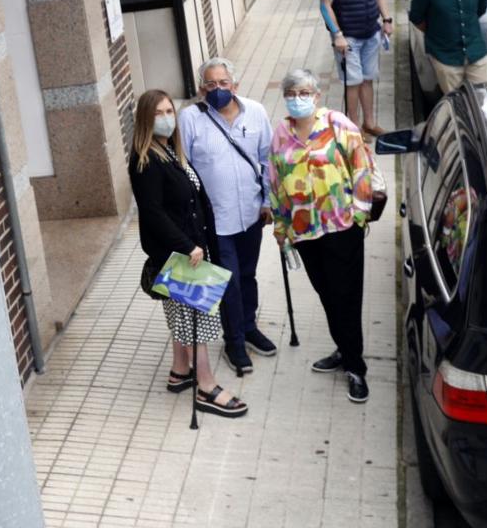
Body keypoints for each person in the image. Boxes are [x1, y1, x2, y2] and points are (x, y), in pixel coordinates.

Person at [128, 89, 248, 418]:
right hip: (178, 256)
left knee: (183, 316)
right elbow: (152, 212)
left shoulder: (169, 151)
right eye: (158, 114)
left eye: (169, 111)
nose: (167, 118)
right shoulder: (146, 161)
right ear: (145, 120)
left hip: (192, 250)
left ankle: (180, 371)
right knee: (195, 320)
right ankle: (207, 387)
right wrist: (187, 245)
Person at [268, 69, 374, 404]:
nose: (298, 98)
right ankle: (344, 348)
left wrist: (359, 213)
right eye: (292, 92)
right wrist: (281, 228)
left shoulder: (337, 123)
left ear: (316, 95)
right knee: (327, 294)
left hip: (342, 227)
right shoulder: (281, 133)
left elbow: (361, 167)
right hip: (304, 230)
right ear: (285, 97)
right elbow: (276, 181)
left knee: (346, 296)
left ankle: (356, 367)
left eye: (304, 92)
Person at [178, 58, 275, 377]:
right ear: (200, 89)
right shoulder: (190, 118)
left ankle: (248, 328)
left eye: (223, 83)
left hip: (251, 214)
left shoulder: (256, 112)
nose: (217, 90)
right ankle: (233, 342)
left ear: (235, 85)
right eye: (210, 84)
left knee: (247, 275)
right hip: (214, 222)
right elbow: (185, 170)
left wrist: (268, 201)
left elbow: (267, 160)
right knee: (229, 281)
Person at [317, 0, 393, 136]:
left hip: (371, 32)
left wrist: (386, 19)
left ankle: (369, 122)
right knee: (353, 82)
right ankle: (354, 128)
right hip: (348, 37)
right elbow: (326, 5)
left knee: (367, 79)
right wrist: (337, 34)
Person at [408, 0, 487, 93]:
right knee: (456, 103)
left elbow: (480, 9)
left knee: (486, 96)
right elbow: (416, 18)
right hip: (445, 57)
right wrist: (438, 31)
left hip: (475, 52)